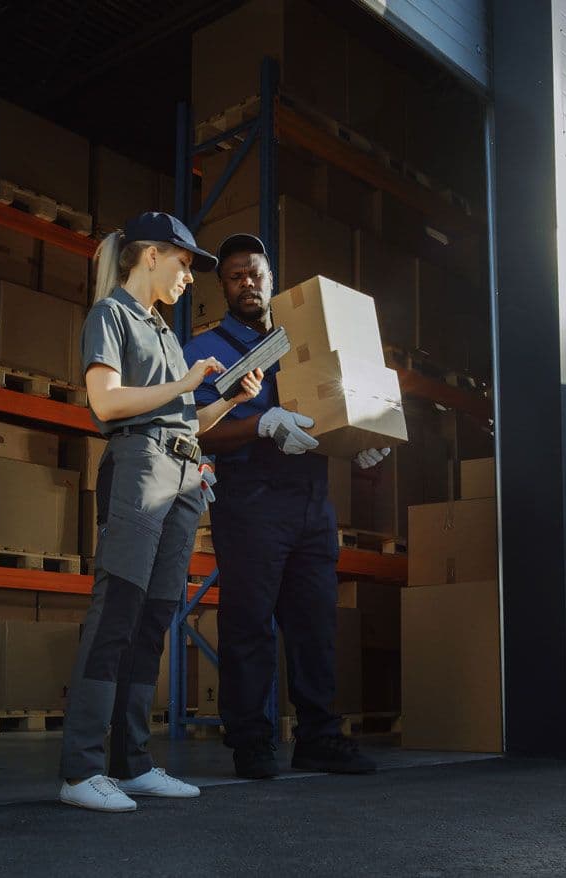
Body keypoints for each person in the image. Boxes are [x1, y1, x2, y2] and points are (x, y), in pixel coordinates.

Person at [58, 213, 263, 813]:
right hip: (140, 468)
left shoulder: (167, 334)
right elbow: (106, 400)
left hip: (183, 472)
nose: (188, 278)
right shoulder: (111, 316)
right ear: (151, 255)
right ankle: (79, 771)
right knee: (117, 609)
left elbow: (187, 420)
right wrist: (184, 385)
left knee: (154, 619)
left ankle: (132, 764)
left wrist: (226, 399)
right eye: (183, 264)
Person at [183, 233, 387, 779]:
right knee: (249, 625)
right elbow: (199, 433)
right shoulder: (205, 351)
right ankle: (251, 741)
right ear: (223, 287)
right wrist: (261, 425)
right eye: (235, 276)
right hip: (250, 506)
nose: (247, 283)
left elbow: (334, 405)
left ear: (272, 278)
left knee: (315, 625)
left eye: (255, 272)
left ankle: (319, 737)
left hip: (311, 504)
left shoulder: (305, 341)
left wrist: (359, 436)